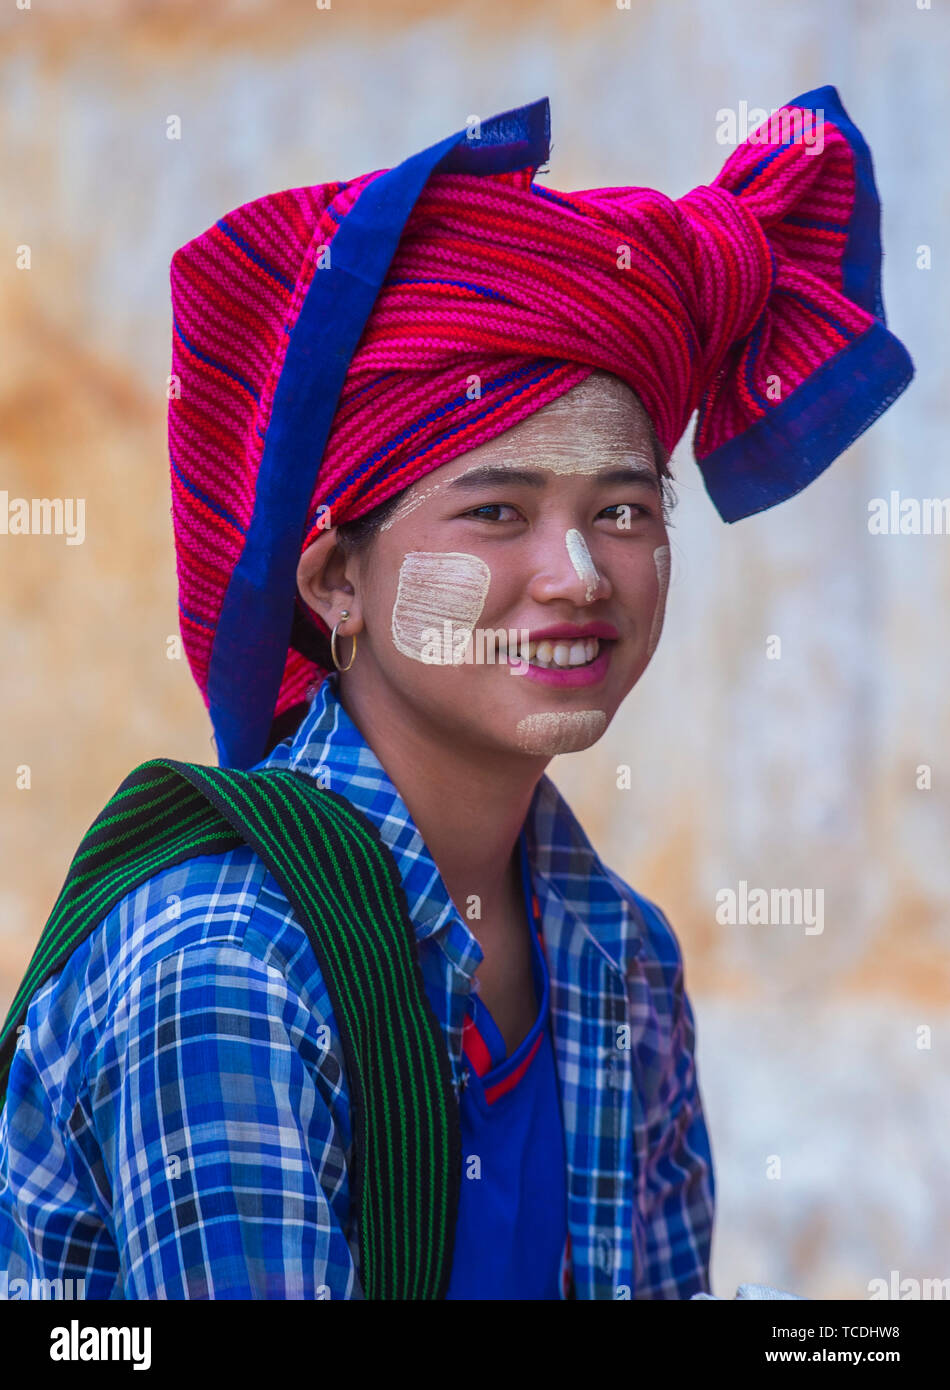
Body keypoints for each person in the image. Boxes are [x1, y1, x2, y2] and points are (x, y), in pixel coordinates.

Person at [0, 86, 912, 1300]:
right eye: (496, 511)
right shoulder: (227, 962)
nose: (579, 574)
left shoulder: (617, 958)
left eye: (623, 512)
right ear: (336, 581)